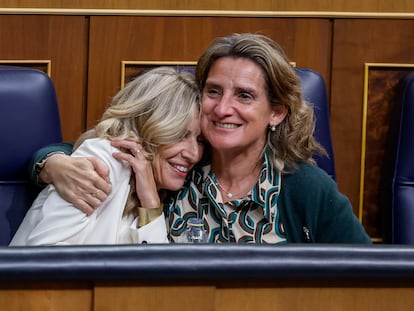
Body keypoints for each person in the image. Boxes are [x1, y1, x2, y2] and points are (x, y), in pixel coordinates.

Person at [25, 33, 371, 244]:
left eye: (245, 96)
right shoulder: (181, 165)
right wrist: (50, 163)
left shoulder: (305, 187)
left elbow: (371, 278)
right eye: (213, 91)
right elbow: (98, 146)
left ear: (277, 112)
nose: (223, 108)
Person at [10, 66, 203, 245]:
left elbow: (159, 271)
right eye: (179, 135)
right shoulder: (103, 160)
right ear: (148, 126)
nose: (194, 154)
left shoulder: (164, 187)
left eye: (200, 140)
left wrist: (151, 206)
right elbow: (42, 262)